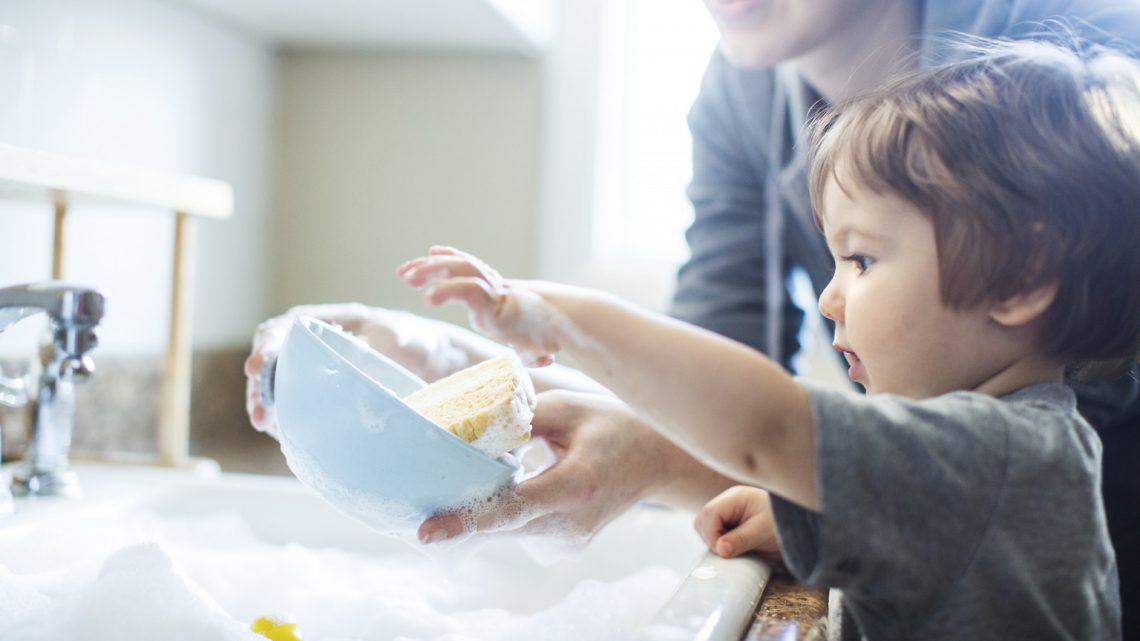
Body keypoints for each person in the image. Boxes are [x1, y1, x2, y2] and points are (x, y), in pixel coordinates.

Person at [245, 0, 1140, 634]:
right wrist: (450, 361)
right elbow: (718, 389)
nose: (832, 297)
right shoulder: (997, 448)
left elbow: (753, 420)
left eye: (861, 259)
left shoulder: (1002, 457)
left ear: (1022, 275)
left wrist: (557, 317)